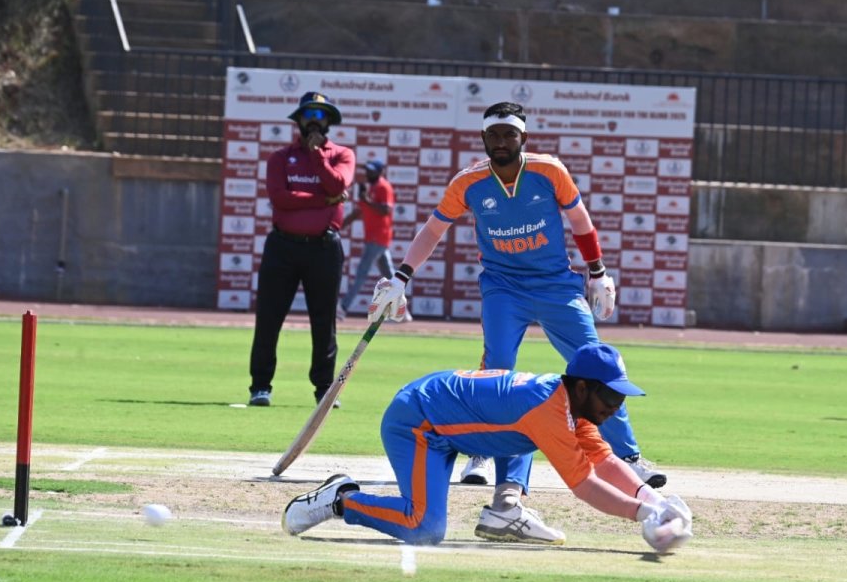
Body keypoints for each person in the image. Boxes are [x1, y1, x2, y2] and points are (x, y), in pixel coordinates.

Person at [367, 101, 666, 545]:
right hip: (503, 286)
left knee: (596, 366)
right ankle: (482, 457)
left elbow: (581, 222)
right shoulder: (468, 182)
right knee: (500, 370)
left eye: (510, 134)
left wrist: (599, 273)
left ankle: (630, 457)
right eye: (494, 136)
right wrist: (401, 277)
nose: (502, 142)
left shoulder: (549, 171)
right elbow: (432, 231)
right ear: (484, 140)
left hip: (557, 285)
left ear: (523, 138)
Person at [282, 342, 692, 552]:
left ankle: (504, 511)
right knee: (423, 529)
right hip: (418, 423)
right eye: (611, 399)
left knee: (521, 439)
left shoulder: (572, 405)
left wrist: (656, 499)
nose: (616, 408)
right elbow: (584, 484)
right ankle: (342, 499)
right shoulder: (548, 410)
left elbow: (604, 460)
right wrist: (644, 513)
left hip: (446, 425)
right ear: (583, 386)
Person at [247, 91, 355, 409]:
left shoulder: (341, 155)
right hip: (282, 246)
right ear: (298, 121)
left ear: (329, 122)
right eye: (308, 115)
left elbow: (338, 185)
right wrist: (324, 200)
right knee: (269, 318)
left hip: (323, 247)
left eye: (321, 116)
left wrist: (319, 158)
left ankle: (324, 389)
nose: (314, 122)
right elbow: (282, 199)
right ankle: (260, 387)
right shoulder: (280, 158)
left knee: (324, 321)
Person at [338, 160, 410, 322]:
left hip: (378, 238)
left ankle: (342, 308)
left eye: (371, 171)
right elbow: (358, 212)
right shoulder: (369, 189)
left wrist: (367, 200)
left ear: (379, 173)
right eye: (367, 171)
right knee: (391, 276)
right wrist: (338, 226)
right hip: (375, 237)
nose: (368, 174)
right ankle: (403, 311)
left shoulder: (383, 187)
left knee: (361, 274)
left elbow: (386, 210)